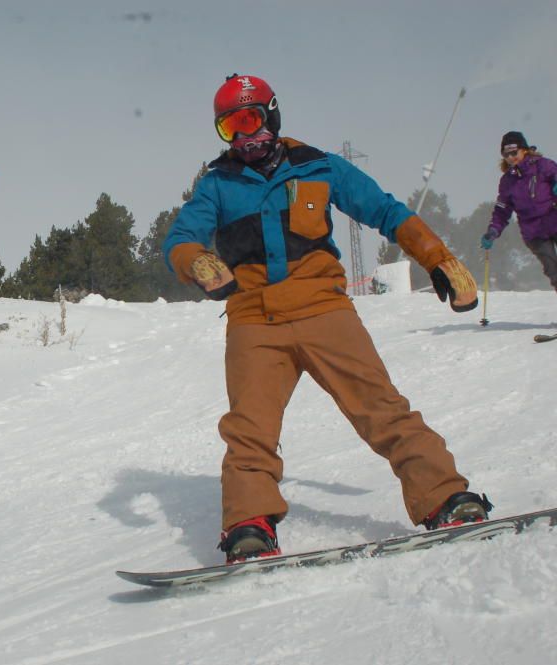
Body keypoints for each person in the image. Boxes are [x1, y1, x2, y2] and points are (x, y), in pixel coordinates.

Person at [163, 74, 491, 563]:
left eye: (250, 120)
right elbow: (181, 237)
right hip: (255, 320)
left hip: (324, 309)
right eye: (230, 128)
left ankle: (444, 496)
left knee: (381, 407)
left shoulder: (317, 166)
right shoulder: (217, 184)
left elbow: (383, 210)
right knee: (249, 429)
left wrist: (436, 257)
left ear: (271, 115)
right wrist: (196, 261)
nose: (244, 137)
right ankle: (249, 524)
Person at [480, 131, 557, 294]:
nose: (510, 157)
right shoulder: (507, 181)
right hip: (534, 233)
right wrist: (493, 230)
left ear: (524, 150)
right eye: (506, 154)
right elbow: (502, 210)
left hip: (554, 219)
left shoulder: (542, 165)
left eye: (513, 152)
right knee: (553, 270)